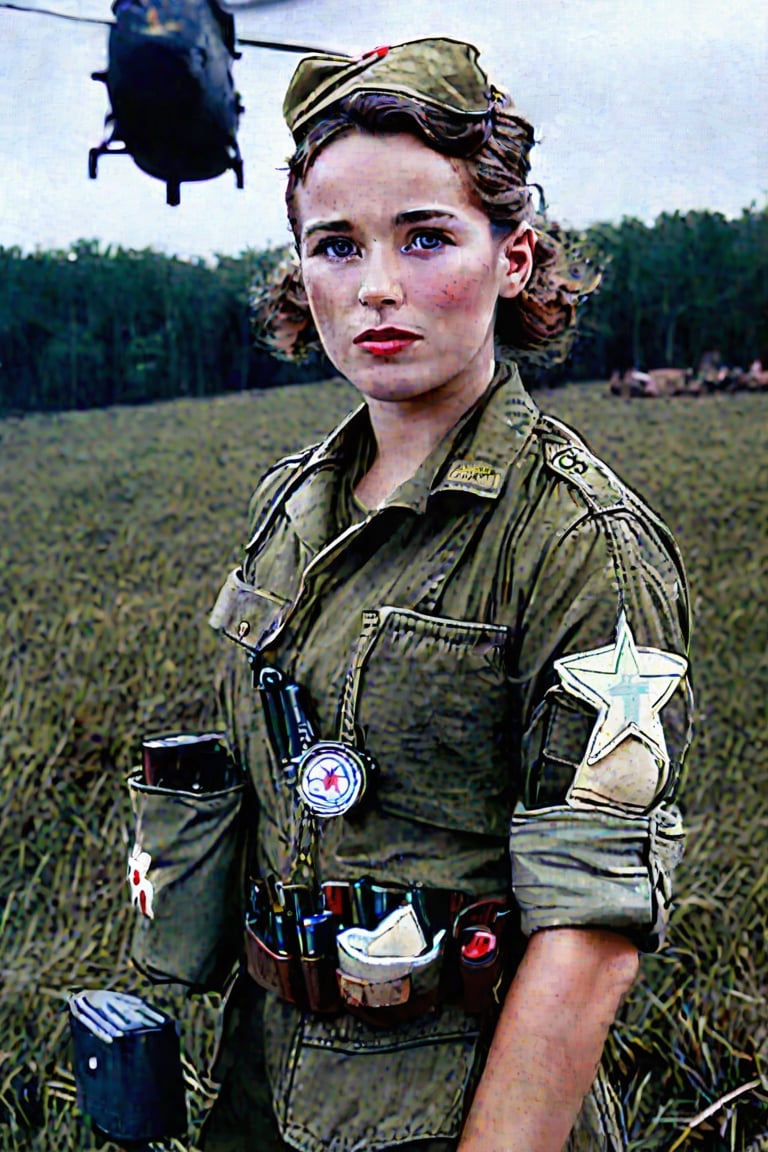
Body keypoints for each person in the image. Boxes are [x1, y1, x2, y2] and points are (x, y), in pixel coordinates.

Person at [199, 37, 693, 1152]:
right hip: (262, 1088)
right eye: (336, 245)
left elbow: (592, 929)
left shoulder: (577, 540)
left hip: (463, 1116)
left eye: (426, 237)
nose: (375, 288)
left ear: (513, 257)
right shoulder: (291, 504)